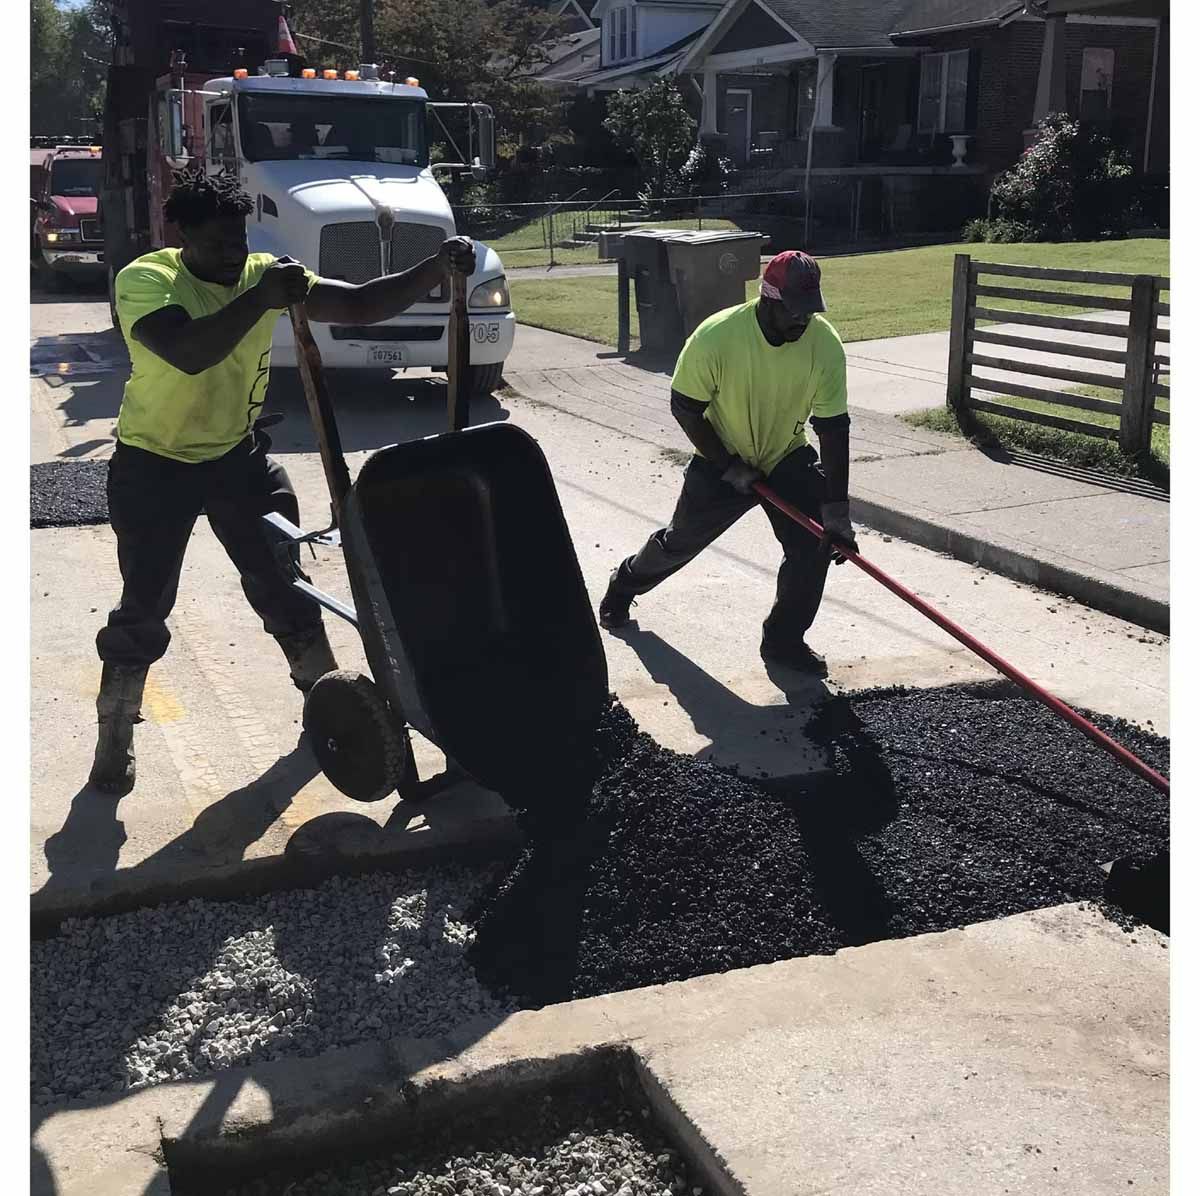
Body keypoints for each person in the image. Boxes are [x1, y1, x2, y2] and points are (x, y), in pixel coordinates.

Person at [90, 168, 476, 793]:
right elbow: (189, 353)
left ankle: (324, 702)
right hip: (154, 466)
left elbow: (357, 305)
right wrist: (262, 297)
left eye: (238, 240)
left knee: (285, 584)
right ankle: (115, 735)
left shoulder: (260, 274)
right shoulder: (148, 279)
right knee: (144, 605)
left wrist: (435, 268)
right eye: (217, 243)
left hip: (238, 460)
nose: (233, 253)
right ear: (181, 233)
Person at [598, 250, 856, 677]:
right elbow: (684, 407)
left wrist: (837, 507)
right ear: (769, 299)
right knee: (681, 541)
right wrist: (728, 464)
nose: (802, 321)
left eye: (809, 312)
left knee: (812, 549)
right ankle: (624, 584)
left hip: (785, 452)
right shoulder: (717, 337)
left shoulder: (824, 344)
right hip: (721, 454)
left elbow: (833, 428)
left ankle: (783, 641)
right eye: (794, 312)